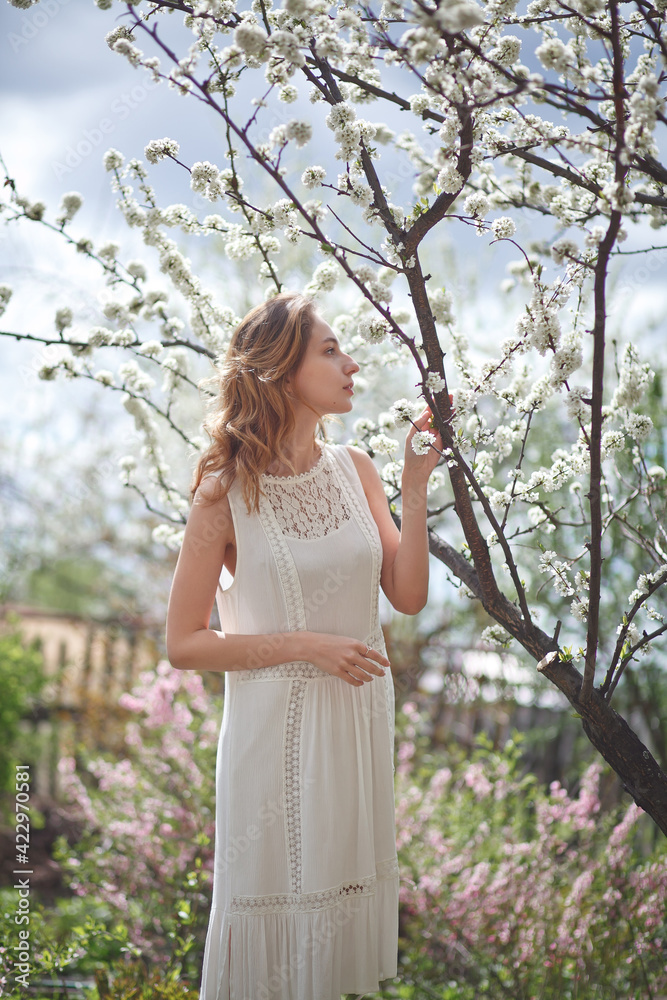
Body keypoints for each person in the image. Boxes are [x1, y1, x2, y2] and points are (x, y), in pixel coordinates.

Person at [166, 291, 441, 1000]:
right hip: (273, 745)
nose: (352, 365)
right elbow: (183, 644)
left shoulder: (357, 469)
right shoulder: (223, 491)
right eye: (330, 350)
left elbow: (407, 595)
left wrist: (413, 489)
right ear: (283, 371)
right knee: (277, 937)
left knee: (334, 951)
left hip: (353, 731)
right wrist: (305, 645)